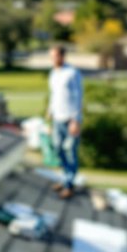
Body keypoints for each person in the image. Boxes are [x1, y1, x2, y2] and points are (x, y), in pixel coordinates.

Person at [46, 45, 83, 199]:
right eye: (51, 56)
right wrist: (49, 109)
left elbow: (78, 97)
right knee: (57, 149)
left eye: (55, 56)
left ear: (62, 56)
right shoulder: (53, 73)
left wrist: (75, 120)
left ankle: (69, 185)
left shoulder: (72, 73)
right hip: (57, 118)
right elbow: (54, 94)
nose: (53, 59)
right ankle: (65, 177)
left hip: (70, 120)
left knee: (70, 153)